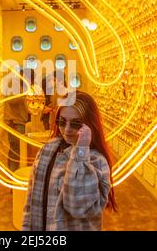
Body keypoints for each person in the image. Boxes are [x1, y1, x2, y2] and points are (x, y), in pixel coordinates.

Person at [22, 90, 117, 231]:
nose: (66, 130)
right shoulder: (47, 150)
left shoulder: (95, 160)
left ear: (88, 125)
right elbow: (31, 202)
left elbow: (77, 205)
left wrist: (81, 151)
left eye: (75, 124)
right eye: (62, 121)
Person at [3, 68, 34, 172]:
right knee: (15, 149)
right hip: (14, 122)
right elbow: (11, 100)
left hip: (19, 121)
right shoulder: (14, 84)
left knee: (17, 149)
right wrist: (25, 94)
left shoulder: (21, 86)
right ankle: (12, 173)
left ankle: (14, 171)